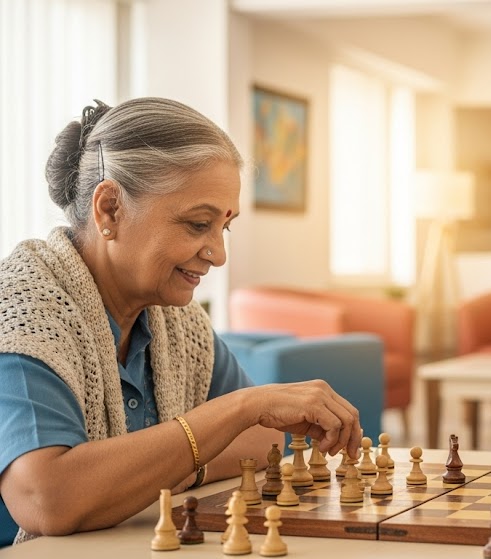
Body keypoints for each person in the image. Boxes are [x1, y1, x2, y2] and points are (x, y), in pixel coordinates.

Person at [0, 98, 363, 547]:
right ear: (109, 209)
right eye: (197, 224)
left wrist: (150, 474)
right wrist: (239, 407)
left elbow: (261, 440)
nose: (219, 253)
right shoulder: (22, 313)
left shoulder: (178, 321)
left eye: (223, 227)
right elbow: (47, 499)